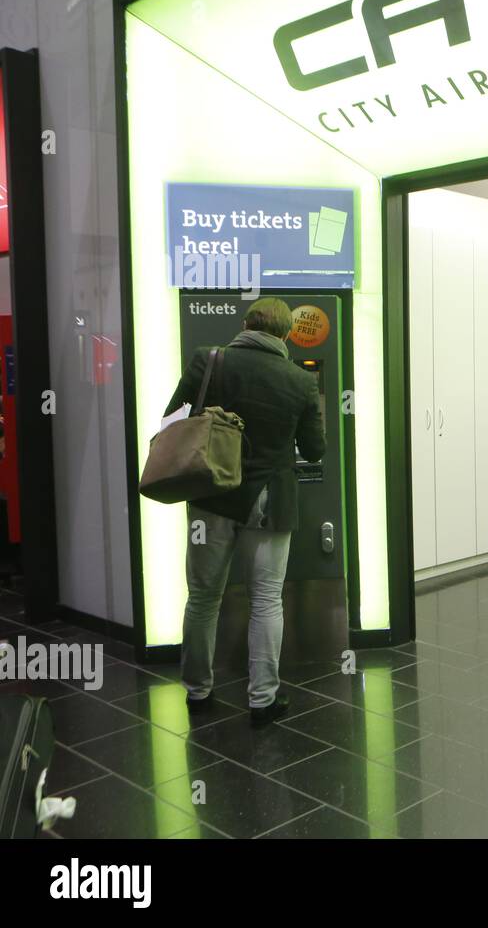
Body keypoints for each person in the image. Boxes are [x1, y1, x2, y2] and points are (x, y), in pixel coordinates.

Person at [165, 297, 325, 726]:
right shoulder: (300, 381)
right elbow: (314, 450)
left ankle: (198, 692)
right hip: (270, 502)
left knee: (202, 598)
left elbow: (171, 422)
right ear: (287, 334)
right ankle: (263, 699)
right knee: (267, 601)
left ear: (245, 323)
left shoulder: (209, 362)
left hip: (210, 497)